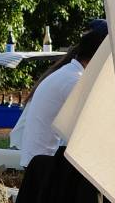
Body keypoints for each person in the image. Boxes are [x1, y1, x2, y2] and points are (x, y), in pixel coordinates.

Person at [8, 21, 105, 167]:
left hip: (36, 162)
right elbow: (90, 129)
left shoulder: (67, 74)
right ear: (99, 58)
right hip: (44, 166)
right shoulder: (74, 81)